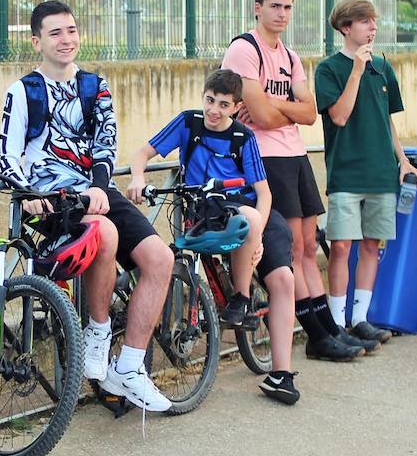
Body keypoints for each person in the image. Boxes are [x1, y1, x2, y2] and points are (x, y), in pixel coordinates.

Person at [0, 0, 175, 412]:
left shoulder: (96, 86)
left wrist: (98, 186)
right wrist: (27, 193)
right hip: (49, 197)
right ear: (36, 40)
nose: (66, 40)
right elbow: (5, 155)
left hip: (94, 189)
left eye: (72, 31)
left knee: (159, 259)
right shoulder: (24, 91)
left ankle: (129, 367)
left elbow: (105, 145)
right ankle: (98, 331)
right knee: (104, 231)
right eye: (55, 32)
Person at [125, 68, 324, 405]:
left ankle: (279, 370)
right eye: (209, 101)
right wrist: (137, 178)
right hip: (202, 211)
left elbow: (263, 193)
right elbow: (142, 153)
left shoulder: (243, 139)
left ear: (236, 107)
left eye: (224, 105)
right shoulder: (189, 124)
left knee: (282, 280)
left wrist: (258, 231)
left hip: (249, 210)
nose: (214, 110)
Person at [221, 0, 366, 362]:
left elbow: (310, 113)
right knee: (287, 250)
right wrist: (286, 107)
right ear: (258, 7)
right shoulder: (243, 50)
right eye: (274, 6)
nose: (282, 14)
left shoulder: (290, 56)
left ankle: (326, 329)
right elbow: (264, 119)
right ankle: (317, 336)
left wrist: (275, 103)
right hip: (264, 158)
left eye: (288, 7)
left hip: (295, 157)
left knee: (306, 246)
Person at [314, 0, 417, 343]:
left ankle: (360, 318)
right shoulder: (329, 69)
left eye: (374, 21)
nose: (373, 27)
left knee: (372, 246)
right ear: (346, 28)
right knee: (342, 246)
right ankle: (335, 323)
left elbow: (386, 121)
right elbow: (340, 116)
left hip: (381, 173)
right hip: (346, 172)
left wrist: (402, 160)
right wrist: (357, 71)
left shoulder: (384, 67)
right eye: (365, 22)